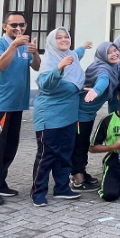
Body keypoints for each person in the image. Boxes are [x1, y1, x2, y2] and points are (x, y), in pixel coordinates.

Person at [0, 13, 40, 206]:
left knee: (10, 147)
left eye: (22, 25)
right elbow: (0, 65)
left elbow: (36, 67)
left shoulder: (24, 45)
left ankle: (0, 183)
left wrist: (35, 52)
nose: (18, 28)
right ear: (4, 26)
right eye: (14, 25)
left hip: (17, 105)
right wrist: (14, 45)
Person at [30, 28, 85, 206]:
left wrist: (84, 47)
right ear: (53, 42)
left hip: (69, 116)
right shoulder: (50, 61)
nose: (63, 40)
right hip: (50, 115)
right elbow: (45, 85)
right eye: (59, 37)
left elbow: (78, 55)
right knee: (47, 154)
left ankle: (61, 188)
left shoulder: (72, 57)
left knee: (65, 154)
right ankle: (38, 192)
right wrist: (59, 69)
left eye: (66, 36)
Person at [73, 41, 120, 192]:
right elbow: (103, 79)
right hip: (80, 114)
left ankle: (82, 172)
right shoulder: (103, 68)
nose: (114, 54)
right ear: (102, 55)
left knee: (82, 142)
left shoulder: (110, 67)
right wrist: (96, 91)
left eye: (115, 50)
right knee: (79, 145)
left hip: (88, 113)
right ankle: (78, 179)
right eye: (110, 52)